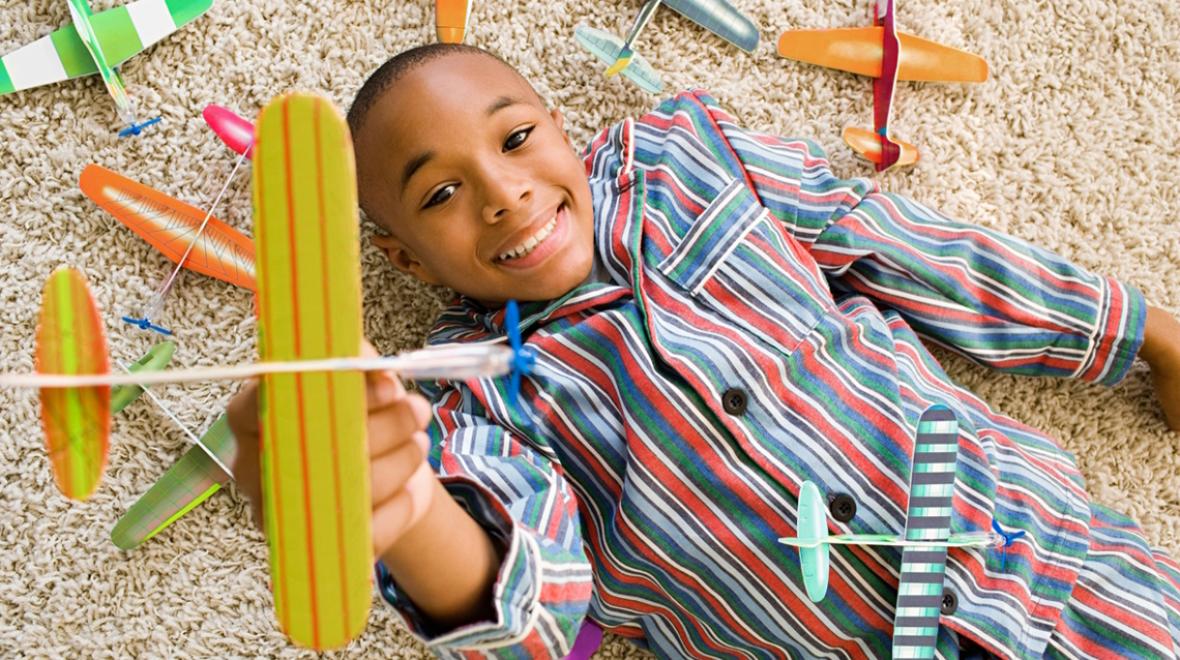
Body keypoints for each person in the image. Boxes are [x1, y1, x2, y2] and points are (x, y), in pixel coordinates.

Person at [228, 43, 1180, 658]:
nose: (505, 193)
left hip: (1040, 563)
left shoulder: (685, 156)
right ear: (402, 258)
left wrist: (1143, 331)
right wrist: (398, 509)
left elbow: (906, 250)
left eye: (517, 139)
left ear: (562, 125)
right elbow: (538, 611)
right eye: (439, 196)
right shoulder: (470, 407)